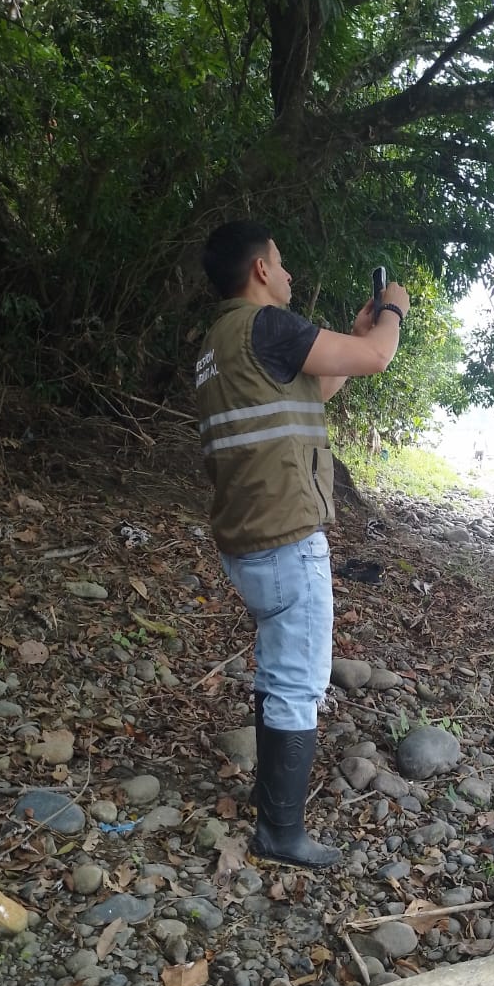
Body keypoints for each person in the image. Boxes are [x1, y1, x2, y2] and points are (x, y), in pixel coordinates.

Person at [197, 221, 409, 869]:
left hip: (246, 536)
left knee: (275, 669)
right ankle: (281, 833)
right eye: (282, 263)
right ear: (261, 269)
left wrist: (356, 331)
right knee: (296, 681)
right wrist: (393, 311)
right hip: (286, 536)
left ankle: (271, 806)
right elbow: (378, 357)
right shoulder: (269, 325)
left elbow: (312, 387)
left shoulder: (218, 341)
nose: (290, 276)